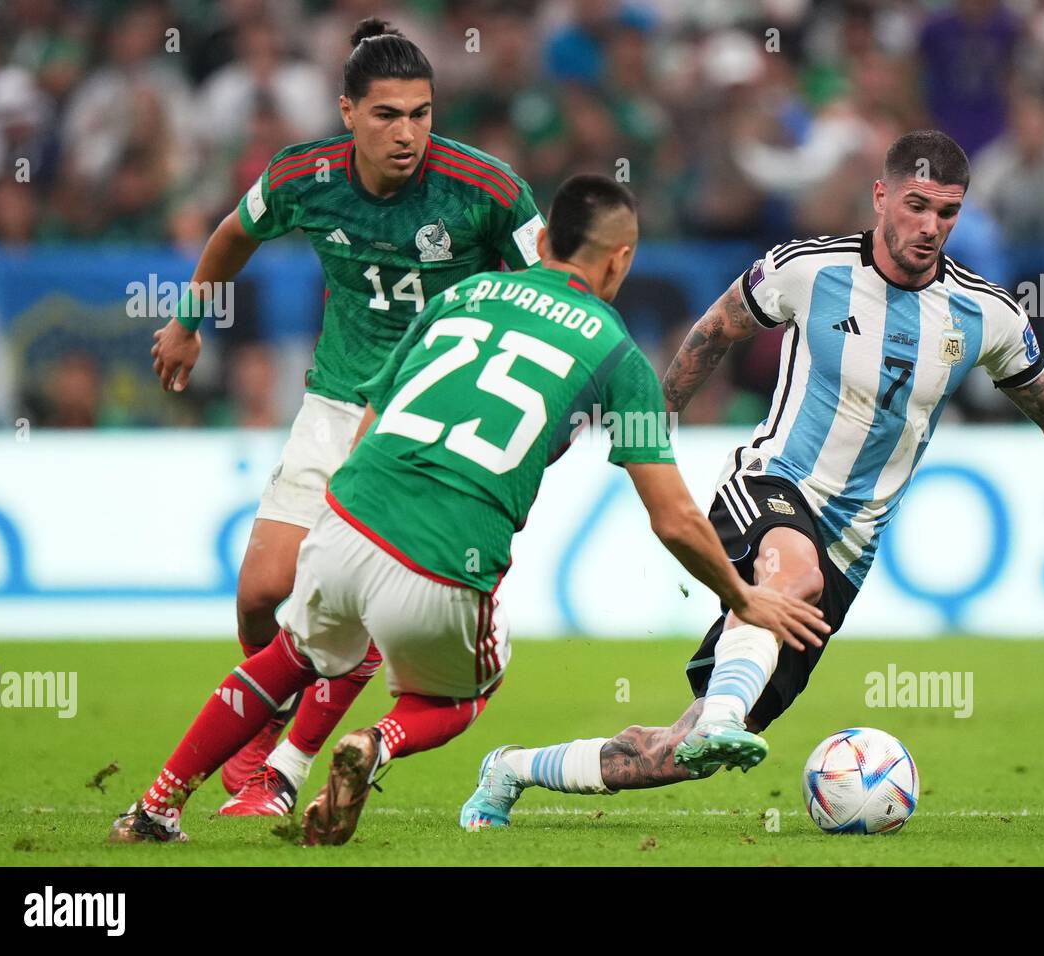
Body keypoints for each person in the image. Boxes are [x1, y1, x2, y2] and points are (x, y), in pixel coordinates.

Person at [459, 130, 1044, 829]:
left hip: (849, 554)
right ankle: (727, 715)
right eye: (917, 205)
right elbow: (715, 331)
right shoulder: (809, 268)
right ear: (881, 195)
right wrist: (656, 425)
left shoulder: (986, 314)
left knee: (676, 754)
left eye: (948, 212)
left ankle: (514, 769)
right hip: (773, 485)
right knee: (789, 574)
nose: (931, 226)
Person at [110, 174, 828, 845]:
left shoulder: (463, 295)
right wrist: (742, 597)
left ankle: (155, 806)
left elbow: (371, 416)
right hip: (446, 557)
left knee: (287, 657)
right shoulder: (620, 357)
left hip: (347, 514)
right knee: (467, 690)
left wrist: (346, 510)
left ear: (542, 244)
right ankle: (376, 741)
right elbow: (672, 517)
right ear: (621, 262)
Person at [149, 19, 547, 816]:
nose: (408, 134)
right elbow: (232, 235)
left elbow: (555, 289)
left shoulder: (488, 188)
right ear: (346, 112)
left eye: (422, 114)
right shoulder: (305, 176)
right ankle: (268, 724)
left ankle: (279, 770)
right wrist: (189, 321)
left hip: (430, 425)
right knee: (262, 592)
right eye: (387, 115)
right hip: (335, 404)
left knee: (357, 604)